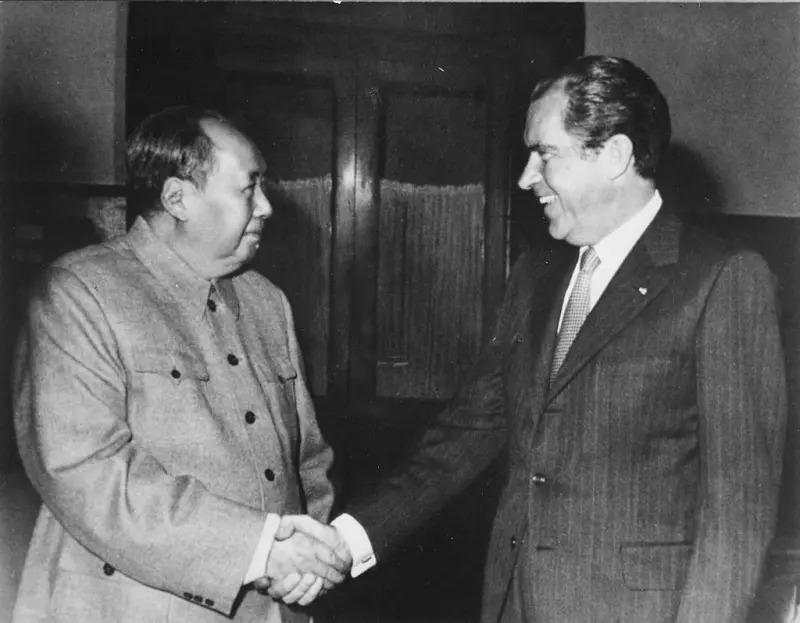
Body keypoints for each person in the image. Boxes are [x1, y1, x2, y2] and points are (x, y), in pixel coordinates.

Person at [271, 56, 789, 622]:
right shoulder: (535, 276)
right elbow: (468, 431)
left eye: (544, 154)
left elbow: (737, 514)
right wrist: (346, 540)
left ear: (614, 155)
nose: (525, 177)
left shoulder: (722, 278)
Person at [11, 106, 351, 623]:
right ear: (177, 198)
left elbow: (307, 463)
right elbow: (87, 473)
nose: (266, 207)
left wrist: (308, 561)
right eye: (248, 188)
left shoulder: (267, 303)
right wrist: (261, 551)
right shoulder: (78, 295)